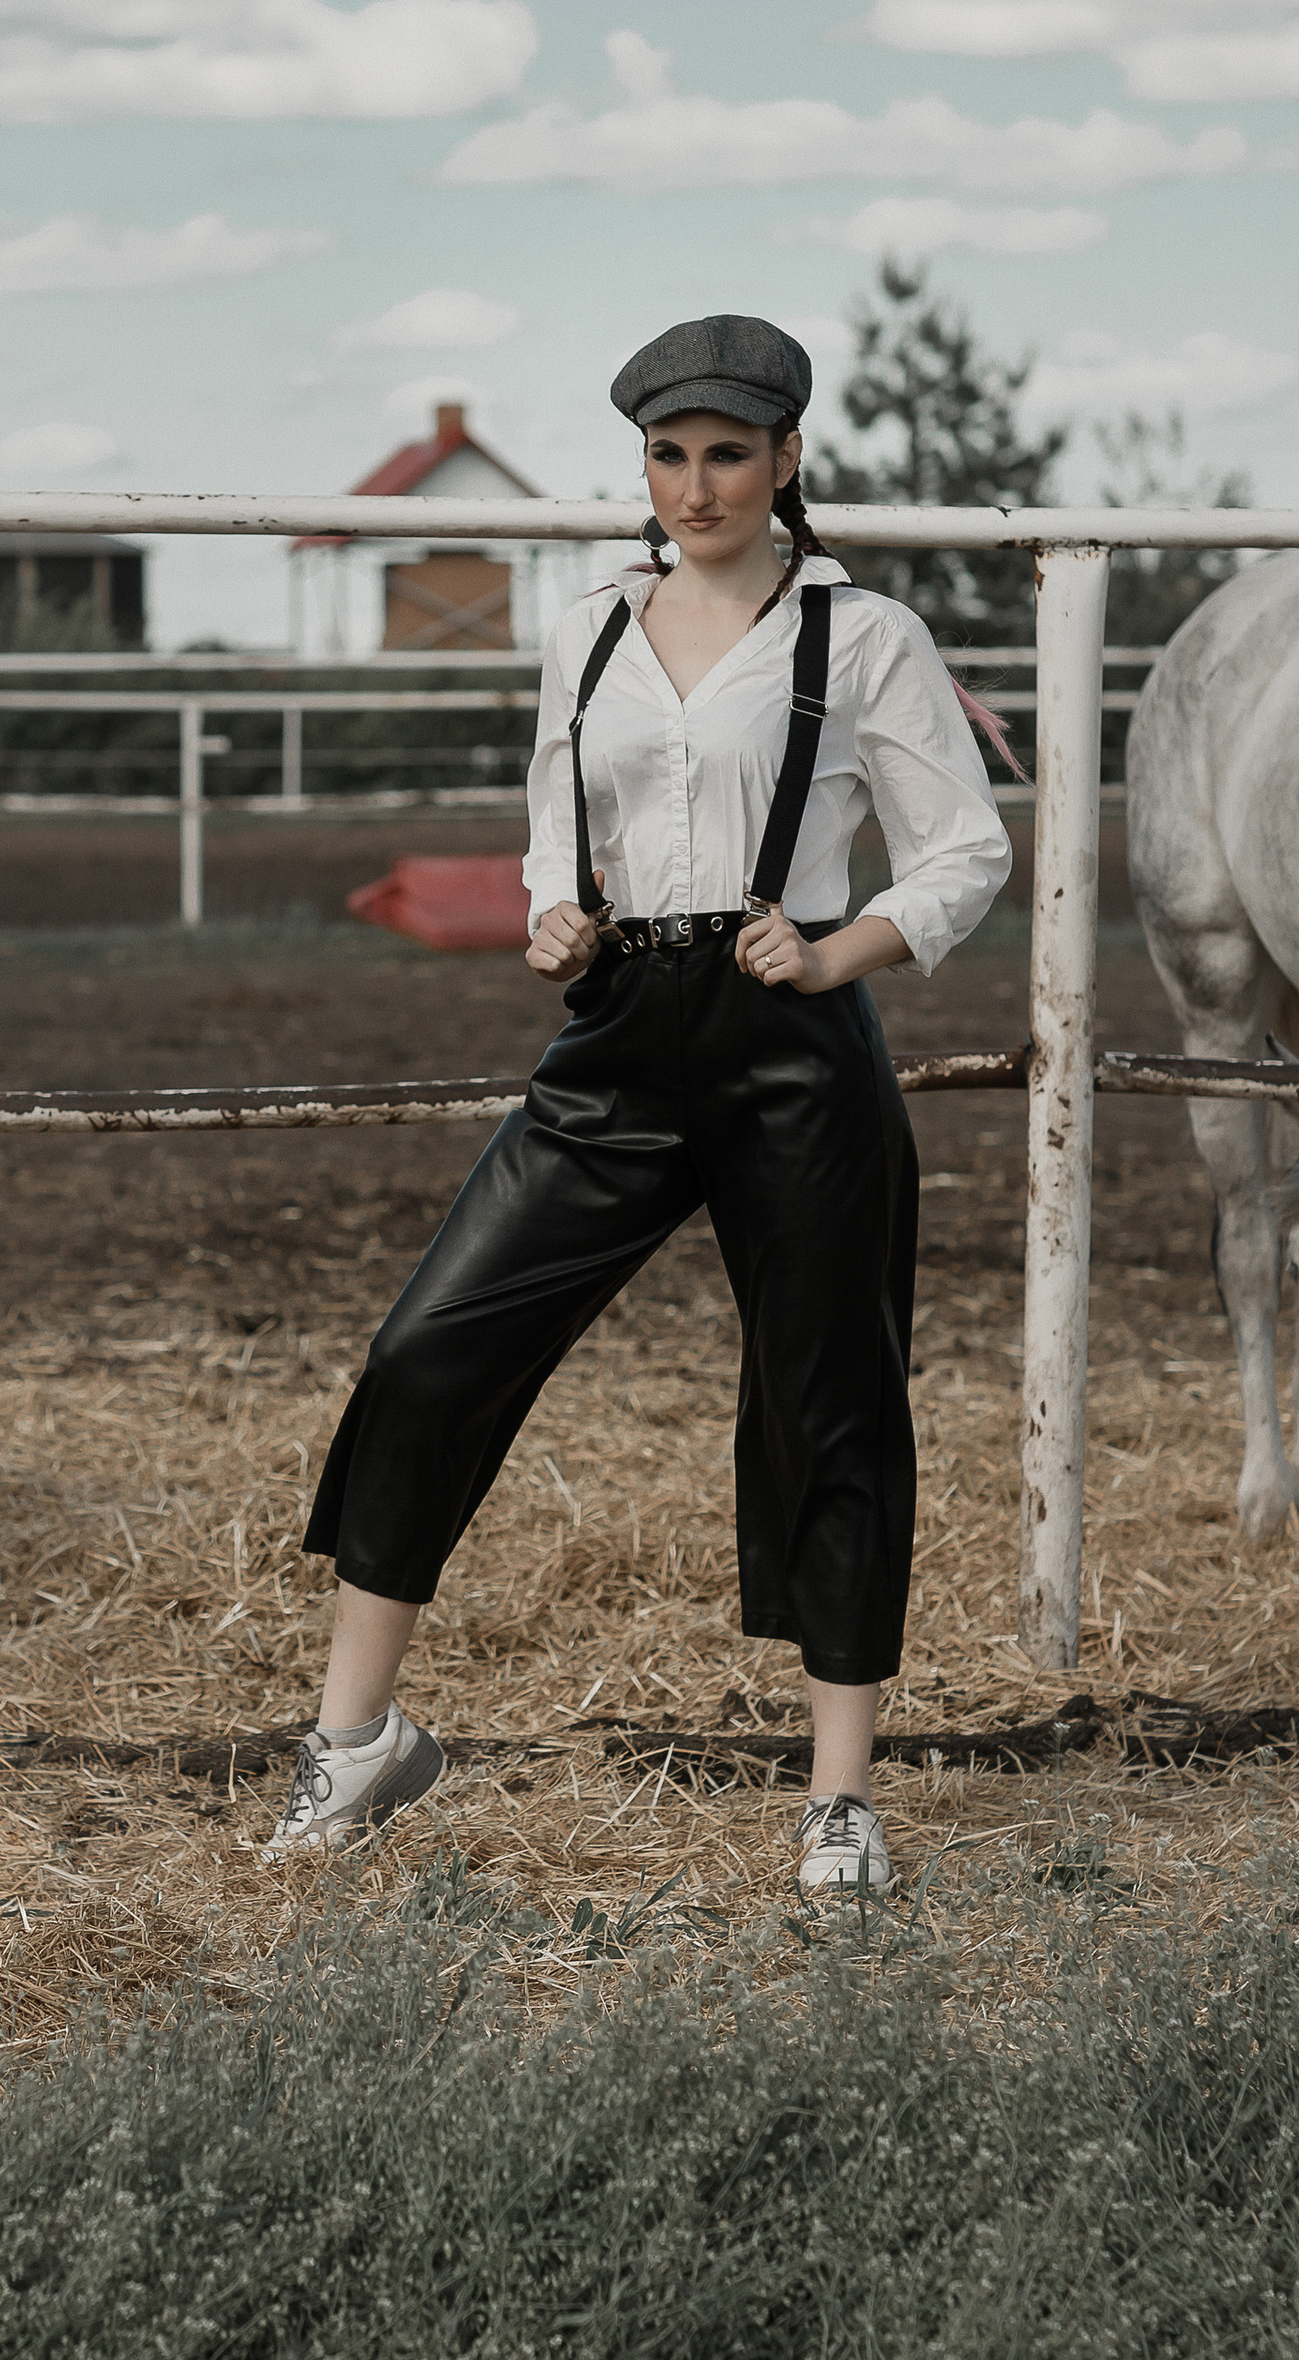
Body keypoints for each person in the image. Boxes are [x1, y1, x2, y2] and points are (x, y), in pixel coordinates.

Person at [265, 313, 1014, 1892]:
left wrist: (833, 952)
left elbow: (967, 853)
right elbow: (558, 817)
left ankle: (838, 1801)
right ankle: (357, 1746)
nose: (695, 486)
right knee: (428, 1350)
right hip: (614, 1040)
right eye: (669, 456)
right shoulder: (595, 624)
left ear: (788, 458)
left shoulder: (857, 635)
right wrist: (556, 911)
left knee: (830, 1402)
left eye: (728, 454)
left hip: (791, 1051)